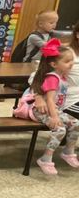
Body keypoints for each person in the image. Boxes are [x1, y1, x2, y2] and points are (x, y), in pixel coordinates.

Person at [28, 40, 79, 176]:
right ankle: (46, 158)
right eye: (67, 61)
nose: (71, 64)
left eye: (72, 61)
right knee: (60, 129)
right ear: (54, 64)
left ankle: (68, 151)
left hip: (55, 110)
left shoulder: (62, 77)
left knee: (76, 123)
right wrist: (55, 117)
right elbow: (49, 99)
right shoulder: (53, 78)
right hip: (42, 111)